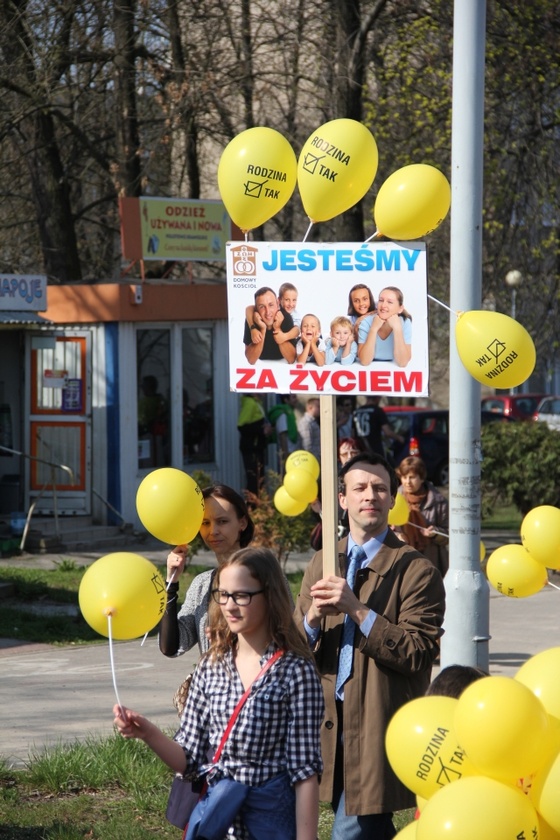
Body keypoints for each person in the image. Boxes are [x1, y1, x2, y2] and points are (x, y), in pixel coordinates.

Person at [116, 547, 324, 840]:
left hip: (271, 826)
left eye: (242, 595)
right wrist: (147, 732)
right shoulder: (211, 666)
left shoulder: (295, 671)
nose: (229, 605)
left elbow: (305, 773)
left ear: (270, 595)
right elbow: (189, 759)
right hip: (217, 825)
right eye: (223, 595)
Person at [294, 452, 446, 840]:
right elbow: (292, 650)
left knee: (352, 829)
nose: (370, 496)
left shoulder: (415, 569)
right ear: (341, 499)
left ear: (393, 499)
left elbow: (417, 652)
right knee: (365, 826)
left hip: (379, 725)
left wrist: (357, 610)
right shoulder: (322, 564)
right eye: (359, 487)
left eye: (380, 487)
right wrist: (311, 618)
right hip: (324, 723)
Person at [159, 484, 255, 658]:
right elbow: (171, 646)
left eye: (222, 521)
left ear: (242, 523)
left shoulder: (264, 575)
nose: (213, 531)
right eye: (205, 523)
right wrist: (171, 583)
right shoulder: (202, 585)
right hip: (213, 684)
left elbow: (286, 636)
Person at [394, 455, 449, 578]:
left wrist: (435, 533)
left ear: (422, 477)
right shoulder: (394, 499)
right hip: (403, 563)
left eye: (412, 477)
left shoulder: (438, 501)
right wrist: (397, 535)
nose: (407, 482)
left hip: (431, 561)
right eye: (404, 477)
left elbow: (449, 535)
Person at [357, 287, 412, 367]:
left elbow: (402, 363)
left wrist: (397, 329)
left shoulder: (405, 323)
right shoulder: (366, 322)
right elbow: (365, 361)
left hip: (392, 372)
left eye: (390, 302)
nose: (383, 305)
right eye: (381, 300)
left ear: (400, 309)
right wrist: (373, 329)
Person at [243, 287, 297, 364]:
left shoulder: (286, 317)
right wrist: (262, 329)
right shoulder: (252, 319)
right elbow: (251, 360)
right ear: (256, 309)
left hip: (282, 366)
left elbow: (291, 359)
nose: (268, 312)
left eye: (271, 305)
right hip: (260, 367)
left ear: (278, 304)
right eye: (262, 307)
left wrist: (277, 328)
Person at [237, 394, 270, 497]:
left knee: (259, 479)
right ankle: (251, 507)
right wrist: (262, 430)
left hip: (257, 447)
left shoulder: (257, 403)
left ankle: (257, 505)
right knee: (253, 479)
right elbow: (241, 426)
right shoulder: (250, 403)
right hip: (251, 448)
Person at [268, 394, 301, 476]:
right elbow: (283, 436)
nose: (296, 399)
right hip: (288, 453)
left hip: (293, 452)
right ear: (286, 400)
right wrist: (285, 456)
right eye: (293, 397)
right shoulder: (283, 415)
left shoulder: (290, 413)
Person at [297, 397, 321, 462]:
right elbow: (307, 445)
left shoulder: (313, 421)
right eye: (318, 406)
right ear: (310, 408)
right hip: (311, 460)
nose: (320, 409)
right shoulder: (306, 422)